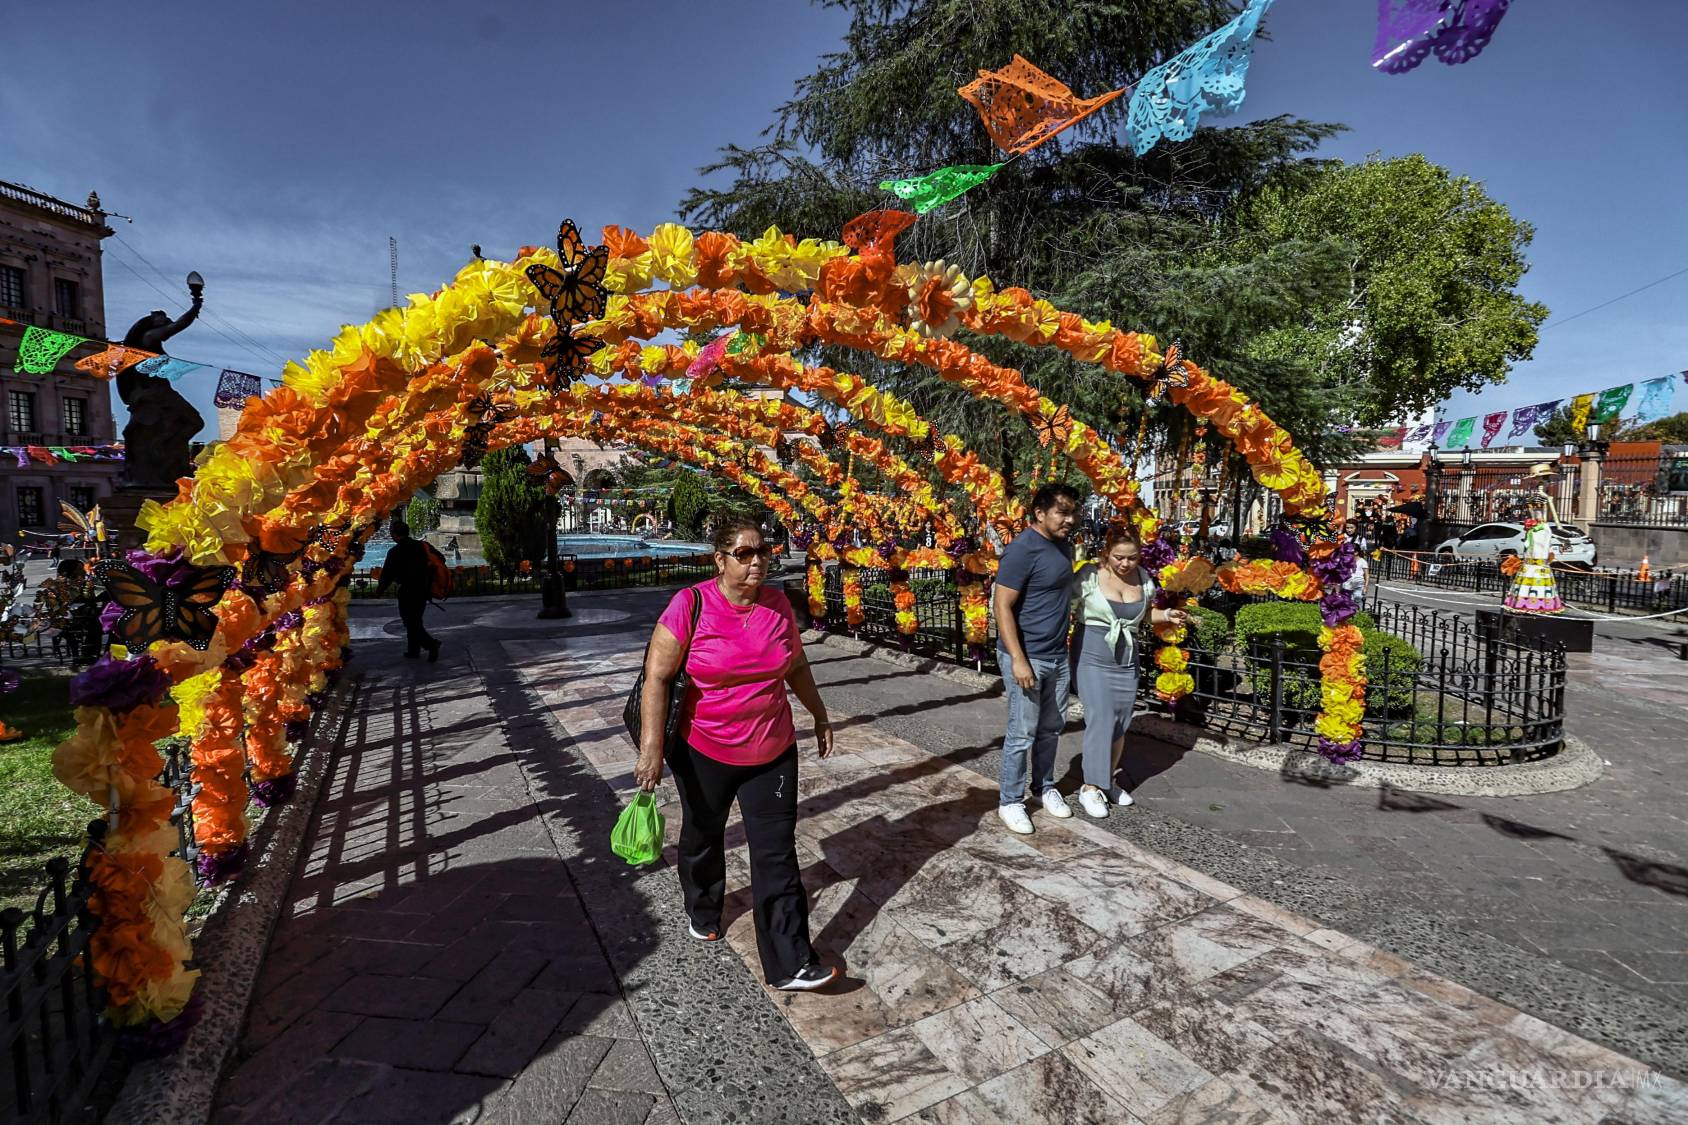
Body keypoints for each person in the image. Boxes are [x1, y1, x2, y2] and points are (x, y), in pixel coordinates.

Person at [632, 517, 838, 992]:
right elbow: (657, 678)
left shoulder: (778, 604)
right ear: (720, 560)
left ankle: (790, 962)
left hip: (773, 748)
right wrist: (651, 749)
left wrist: (820, 714)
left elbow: (797, 666)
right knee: (704, 836)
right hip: (705, 749)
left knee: (777, 854)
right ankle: (703, 906)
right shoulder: (691, 604)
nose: (756, 562)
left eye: (762, 551)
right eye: (744, 554)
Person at [1069, 526, 1189, 818]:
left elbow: (1144, 615)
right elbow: (1065, 609)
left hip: (1126, 658)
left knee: (1121, 721)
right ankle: (1090, 786)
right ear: (1106, 554)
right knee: (1102, 717)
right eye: (1118, 557)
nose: (1125, 564)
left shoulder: (1144, 578)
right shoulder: (1088, 575)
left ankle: (1107, 780)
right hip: (1092, 655)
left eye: (1132, 557)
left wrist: (1167, 615)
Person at [992, 483, 1080, 834]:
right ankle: (1010, 801)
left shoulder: (1063, 547)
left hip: (1057, 654)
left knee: (1051, 728)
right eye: (1062, 512)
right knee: (1021, 732)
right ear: (1040, 513)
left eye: (1072, 512)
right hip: (1027, 656)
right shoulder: (1021, 550)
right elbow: (1002, 605)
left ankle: (1044, 787)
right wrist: (1018, 658)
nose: (1069, 519)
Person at [374, 519, 441, 661]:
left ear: (395, 534)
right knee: (416, 620)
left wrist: (380, 590)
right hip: (423, 588)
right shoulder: (422, 545)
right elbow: (440, 559)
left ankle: (430, 644)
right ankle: (413, 650)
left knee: (409, 621)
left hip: (407, 590)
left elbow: (387, 574)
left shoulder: (395, 551)